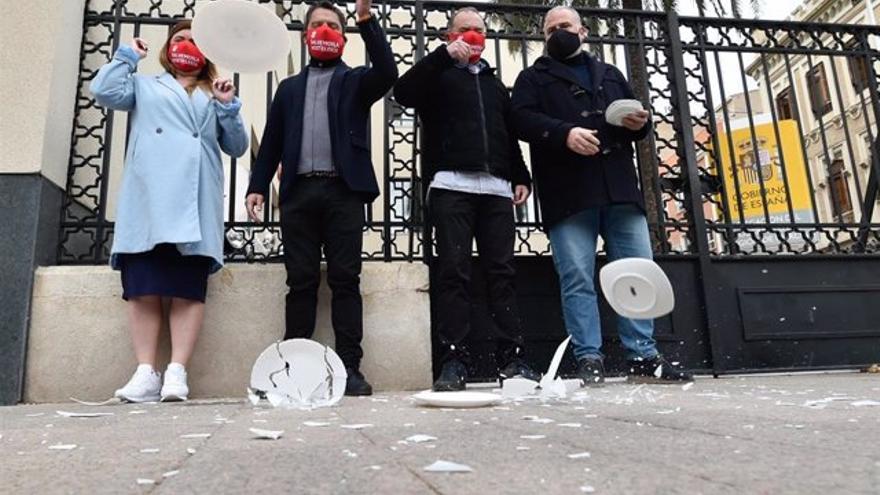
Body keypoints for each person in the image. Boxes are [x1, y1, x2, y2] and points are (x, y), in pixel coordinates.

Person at [511, 6, 692, 386]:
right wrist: (564, 133)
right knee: (576, 276)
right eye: (550, 30)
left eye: (565, 26)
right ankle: (588, 357)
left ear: (583, 30)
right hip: (568, 194)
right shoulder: (532, 78)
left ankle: (642, 355)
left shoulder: (610, 74)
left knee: (636, 272)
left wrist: (638, 124)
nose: (558, 33)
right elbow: (521, 120)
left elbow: (634, 128)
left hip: (620, 190)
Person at [245, 0, 398, 396]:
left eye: (333, 25)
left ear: (343, 37)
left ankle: (350, 368)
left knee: (346, 279)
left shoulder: (355, 82)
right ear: (305, 34)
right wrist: (257, 186)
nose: (325, 30)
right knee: (301, 281)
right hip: (298, 194)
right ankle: (292, 367)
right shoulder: (289, 88)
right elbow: (274, 141)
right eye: (318, 24)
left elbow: (388, 72)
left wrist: (366, 20)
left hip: (342, 192)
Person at [90, 20, 248, 402]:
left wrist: (228, 108)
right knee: (142, 285)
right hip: (150, 195)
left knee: (187, 288)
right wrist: (128, 57)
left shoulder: (216, 92)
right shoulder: (145, 85)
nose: (187, 45)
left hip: (193, 199)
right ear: (167, 47)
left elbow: (238, 147)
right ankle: (146, 372)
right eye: (179, 39)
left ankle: (177, 371)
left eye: (195, 40)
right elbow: (103, 91)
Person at [394, 7, 541, 391]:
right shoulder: (437, 74)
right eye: (465, 30)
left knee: (502, 274)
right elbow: (403, 92)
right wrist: (443, 57)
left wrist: (520, 176)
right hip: (450, 186)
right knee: (453, 272)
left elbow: (508, 134)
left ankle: (513, 360)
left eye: (478, 30)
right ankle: (454, 360)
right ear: (450, 36)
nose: (473, 36)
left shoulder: (495, 85)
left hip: (496, 190)